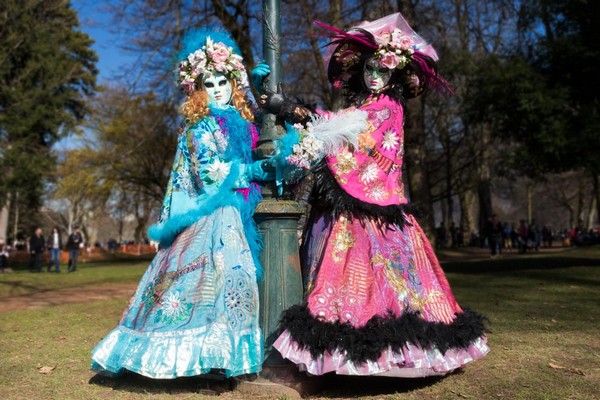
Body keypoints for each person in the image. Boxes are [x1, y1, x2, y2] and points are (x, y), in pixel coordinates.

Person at [260, 13, 488, 377]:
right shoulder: (366, 105)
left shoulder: (386, 108)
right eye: (370, 68)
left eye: (382, 71)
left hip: (373, 209)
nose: (374, 76)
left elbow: (343, 133)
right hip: (366, 207)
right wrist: (296, 111)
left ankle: (386, 354)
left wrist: (293, 111)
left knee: (386, 287)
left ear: (394, 75)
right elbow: (338, 124)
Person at [91, 29, 273, 379]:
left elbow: (257, 129)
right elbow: (210, 173)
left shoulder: (241, 123)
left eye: (224, 82)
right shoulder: (199, 130)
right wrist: (249, 170)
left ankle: (223, 358)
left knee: (233, 284)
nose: (218, 89)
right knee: (205, 284)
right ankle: (198, 359)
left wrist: (255, 89)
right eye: (210, 83)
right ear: (198, 90)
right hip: (209, 217)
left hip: (236, 214)